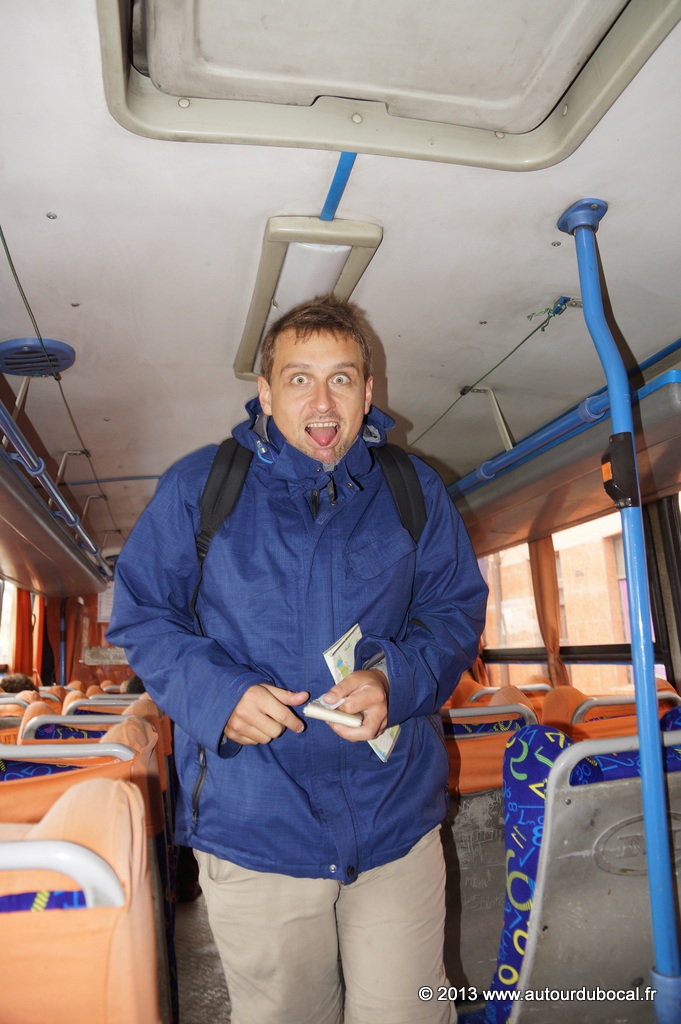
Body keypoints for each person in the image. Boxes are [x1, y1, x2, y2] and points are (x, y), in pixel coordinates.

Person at [107, 294, 487, 1024]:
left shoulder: (412, 490)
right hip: (257, 825)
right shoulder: (198, 487)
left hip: (394, 819)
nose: (321, 401)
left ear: (367, 393)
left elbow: (453, 610)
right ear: (265, 392)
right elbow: (144, 616)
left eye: (340, 379)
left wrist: (396, 678)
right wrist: (219, 696)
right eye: (299, 378)